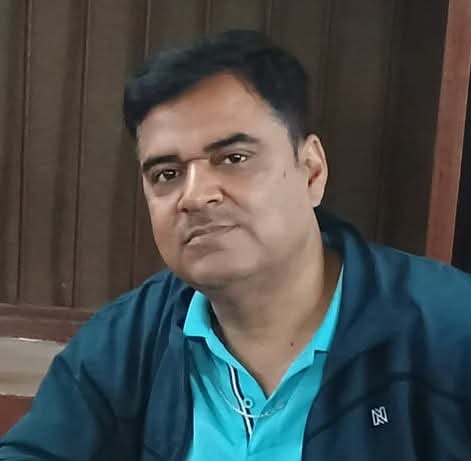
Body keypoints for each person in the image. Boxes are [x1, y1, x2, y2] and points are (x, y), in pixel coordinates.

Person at [1, 29, 471, 461]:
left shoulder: (448, 332)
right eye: (167, 174)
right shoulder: (125, 342)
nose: (195, 196)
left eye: (234, 158)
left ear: (311, 171)